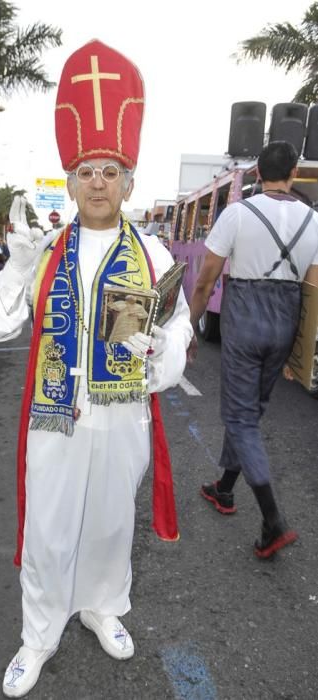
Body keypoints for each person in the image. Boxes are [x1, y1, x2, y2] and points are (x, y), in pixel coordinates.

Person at [0, 40, 193, 698]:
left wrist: (169, 352)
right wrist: (13, 268)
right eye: (86, 170)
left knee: (109, 526)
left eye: (109, 170)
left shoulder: (152, 253)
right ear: (69, 180)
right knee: (47, 531)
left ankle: (102, 606)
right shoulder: (41, 252)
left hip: (121, 417)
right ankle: (37, 635)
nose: (97, 181)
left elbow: (176, 321)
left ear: (128, 180)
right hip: (54, 420)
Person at [189, 140, 318, 559]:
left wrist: (190, 326)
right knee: (250, 411)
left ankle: (273, 519)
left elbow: (206, 279)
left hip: (244, 316)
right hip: (286, 319)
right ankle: (224, 489)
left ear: (258, 174)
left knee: (241, 417)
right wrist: (300, 350)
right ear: (295, 173)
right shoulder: (314, 220)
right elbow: (313, 289)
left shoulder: (237, 214)